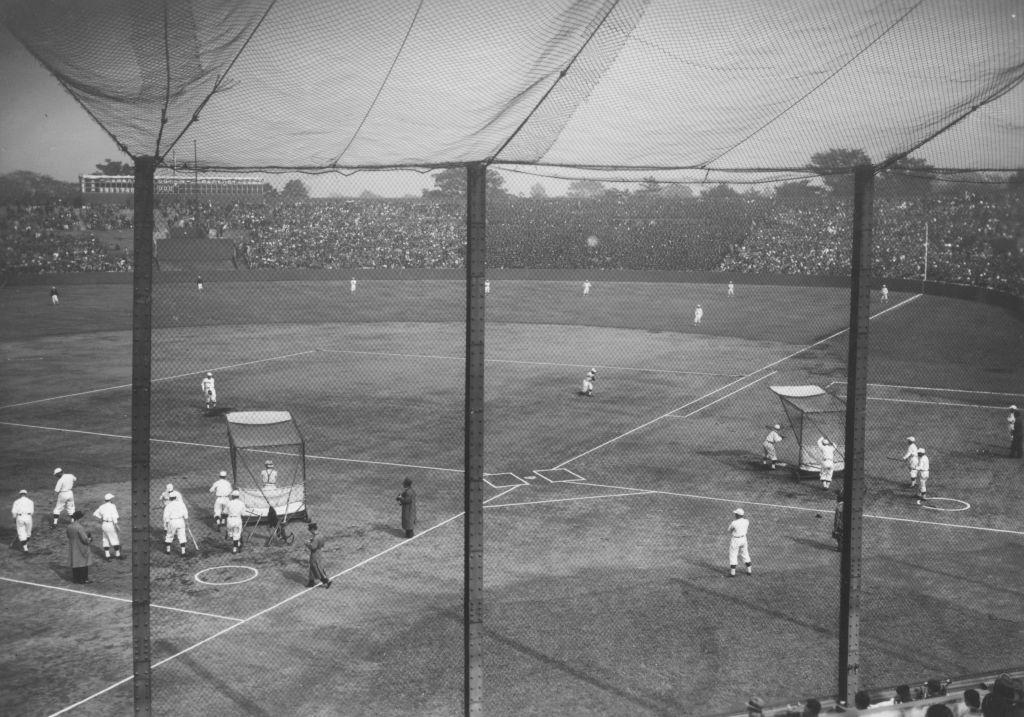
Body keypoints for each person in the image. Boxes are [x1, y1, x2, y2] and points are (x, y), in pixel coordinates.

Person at [92, 493, 122, 561]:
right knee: (114, 539)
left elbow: (95, 514)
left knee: (105, 540)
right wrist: (116, 525)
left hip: (104, 524)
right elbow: (114, 516)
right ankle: (118, 555)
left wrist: (102, 519)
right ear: (110, 499)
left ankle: (107, 556)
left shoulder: (102, 506)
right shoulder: (113, 506)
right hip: (110, 525)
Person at [66, 510, 93, 584]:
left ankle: (76, 579)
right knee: (83, 564)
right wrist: (90, 539)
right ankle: (84, 579)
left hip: (73, 547)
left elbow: (68, 536)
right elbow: (85, 540)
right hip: (81, 548)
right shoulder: (79, 527)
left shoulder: (69, 526)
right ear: (79, 518)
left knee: (75, 563)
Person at [304, 522, 331, 588]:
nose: (309, 531)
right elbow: (322, 544)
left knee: (315, 568)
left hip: (315, 554)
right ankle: (311, 581)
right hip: (319, 552)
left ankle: (326, 581)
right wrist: (311, 541)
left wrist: (307, 544)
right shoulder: (320, 535)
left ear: (313, 529)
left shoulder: (316, 537)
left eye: (310, 530)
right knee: (313, 567)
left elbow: (313, 547)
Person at [727, 507, 752, 577]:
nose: (734, 515)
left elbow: (729, 530)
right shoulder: (747, 521)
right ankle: (749, 571)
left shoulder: (734, 523)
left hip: (736, 540)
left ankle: (732, 573)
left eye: (735, 514)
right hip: (744, 539)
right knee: (745, 554)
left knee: (733, 554)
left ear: (738, 515)